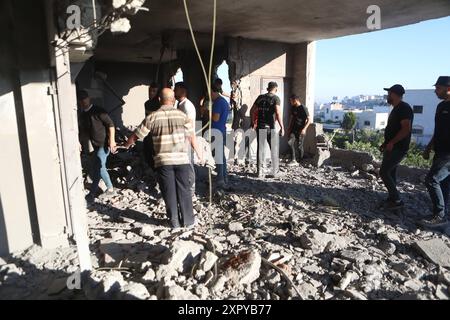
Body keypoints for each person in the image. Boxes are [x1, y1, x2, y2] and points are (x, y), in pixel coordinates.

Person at [124, 88, 203, 229]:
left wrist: (127, 144)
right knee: (184, 189)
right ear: (173, 100)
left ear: (159, 100)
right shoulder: (182, 116)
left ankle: (174, 222)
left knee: (169, 191)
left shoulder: (152, 117)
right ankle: (188, 221)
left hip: (163, 161)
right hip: (181, 160)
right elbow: (191, 137)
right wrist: (199, 153)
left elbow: (136, 135)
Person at [77, 89, 117, 202]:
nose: (84, 101)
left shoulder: (98, 111)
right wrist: (79, 142)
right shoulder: (83, 115)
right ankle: (103, 190)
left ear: (89, 98)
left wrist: (112, 141)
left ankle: (101, 191)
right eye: (81, 100)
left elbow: (111, 124)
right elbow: (83, 132)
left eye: (85, 99)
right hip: (94, 146)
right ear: (79, 102)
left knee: (99, 167)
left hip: (103, 144)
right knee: (97, 167)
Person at [379, 84, 413, 210]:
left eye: (389, 94)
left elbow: (406, 129)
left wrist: (392, 142)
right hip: (392, 146)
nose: (388, 96)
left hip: (399, 148)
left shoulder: (404, 108)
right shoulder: (397, 108)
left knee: (384, 172)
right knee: (391, 172)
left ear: (395, 94)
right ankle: (392, 198)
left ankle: (397, 200)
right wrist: (386, 143)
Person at [422, 76, 450, 226]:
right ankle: (442, 214)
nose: (435, 91)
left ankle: (439, 215)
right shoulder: (441, 107)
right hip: (440, 151)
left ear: (448, 89)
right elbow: (438, 130)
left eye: (438, 88)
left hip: (448, 154)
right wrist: (429, 147)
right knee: (443, 182)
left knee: (432, 180)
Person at [250, 81, 285, 179]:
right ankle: (275, 172)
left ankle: (259, 172)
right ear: (276, 89)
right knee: (274, 149)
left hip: (260, 126)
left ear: (267, 88)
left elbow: (252, 110)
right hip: (270, 127)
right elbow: (278, 113)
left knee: (260, 149)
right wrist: (282, 127)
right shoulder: (275, 98)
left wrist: (253, 122)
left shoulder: (260, 98)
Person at [175, 82, 198, 201]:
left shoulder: (187, 106)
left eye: (176, 89)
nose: (174, 91)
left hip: (186, 140)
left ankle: (191, 192)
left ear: (183, 91)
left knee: (189, 166)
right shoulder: (180, 104)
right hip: (180, 140)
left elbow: (190, 127)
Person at [211, 85, 230, 187]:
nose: (209, 96)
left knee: (218, 156)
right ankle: (223, 177)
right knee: (221, 155)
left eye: (210, 93)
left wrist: (207, 112)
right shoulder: (223, 101)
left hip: (217, 131)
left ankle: (220, 179)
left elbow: (215, 118)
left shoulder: (218, 102)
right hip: (221, 130)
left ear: (213, 92)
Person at [287, 95, 310, 165]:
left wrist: (304, 129)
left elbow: (309, 120)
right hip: (293, 129)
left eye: (291, 101)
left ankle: (301, 160)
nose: (290, 102)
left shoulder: (303, 108)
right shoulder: (293, 107)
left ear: (295, 100)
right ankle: (293, 160)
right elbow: (292, 118)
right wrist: (289, 127)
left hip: (300, 130)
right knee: (290, 142)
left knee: (299, 146)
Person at [143, 82, 161, 169]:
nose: (151, 93)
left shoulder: (160, 105)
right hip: (149, 131)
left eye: (154, 91)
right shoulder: (147, 103)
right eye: (150, 91)